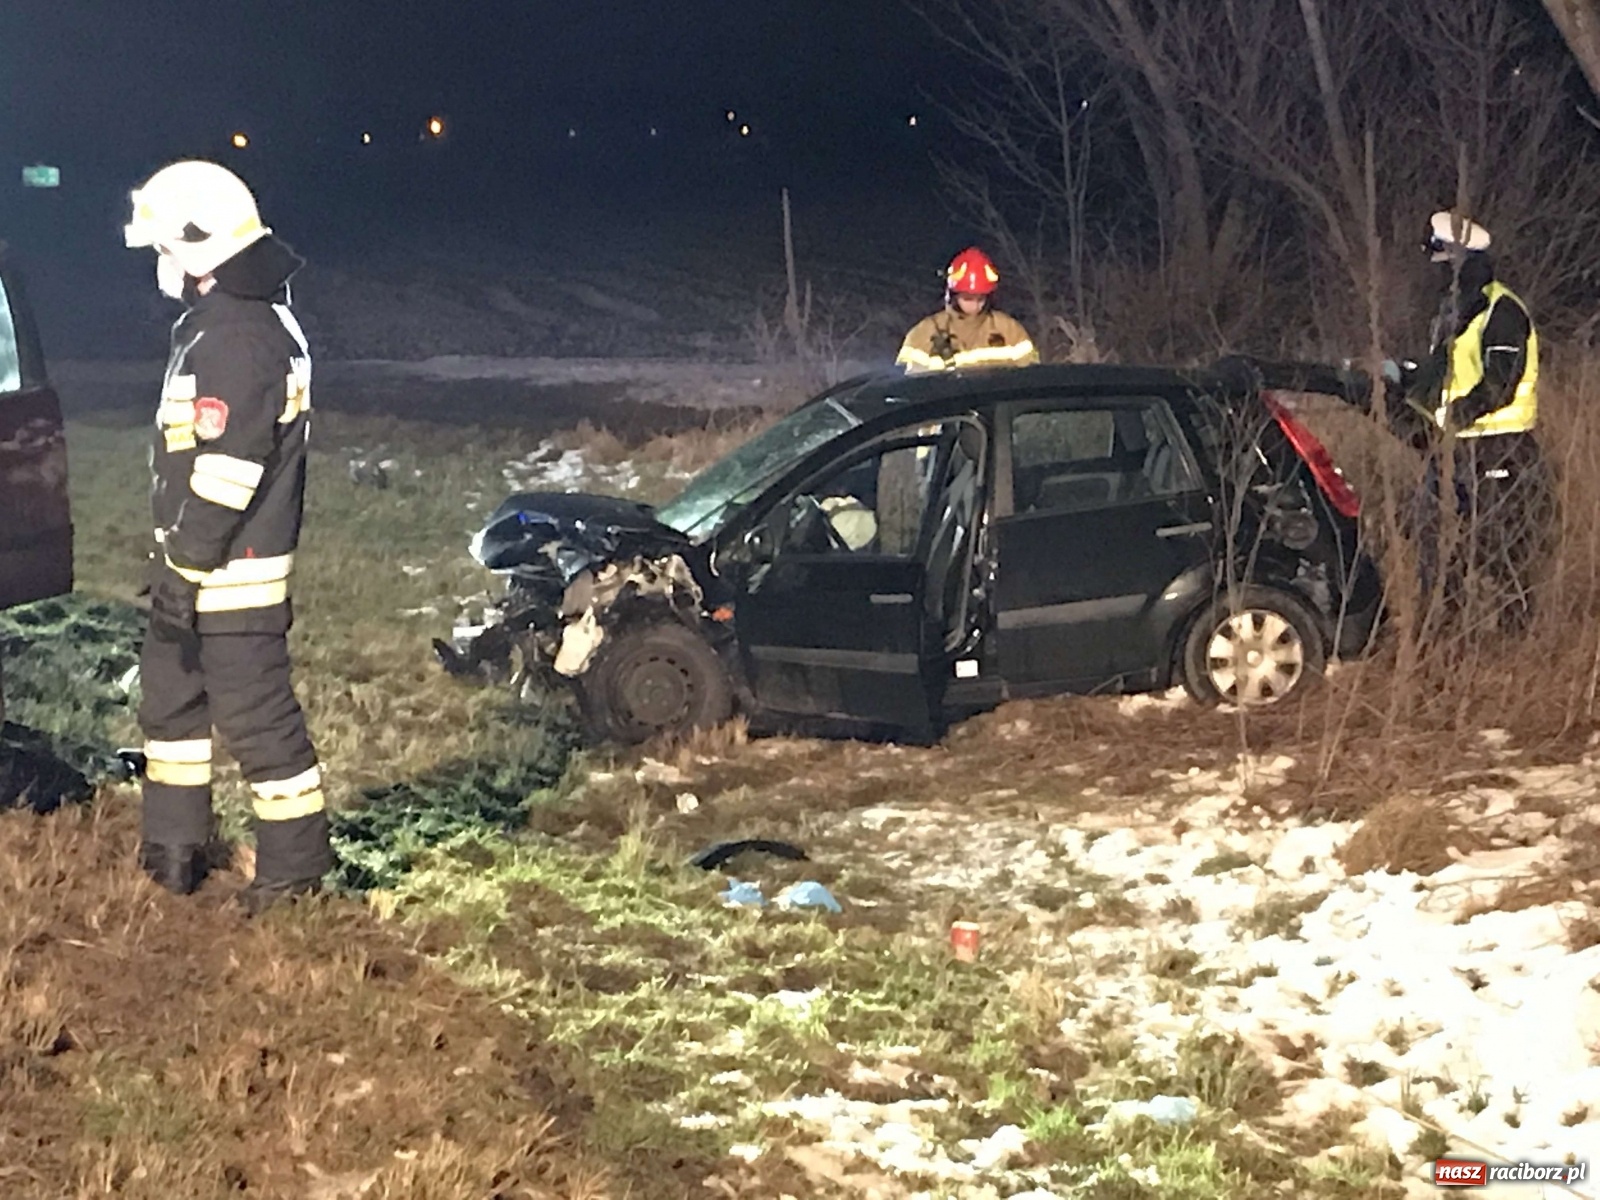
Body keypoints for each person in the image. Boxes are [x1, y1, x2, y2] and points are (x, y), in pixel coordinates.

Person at [122, 160, 331, 914]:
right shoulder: (226, 326)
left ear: (198, 250)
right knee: (172, 707)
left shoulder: (239, 338)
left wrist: (184, 563)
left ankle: (295, 871)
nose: (160, 267)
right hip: (199, 566)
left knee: (258, 723)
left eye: (165, 251)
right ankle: (174, 849)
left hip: (228, 574)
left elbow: (226, 473)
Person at [1385, 210, 1554, 630]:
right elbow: (1446, 373)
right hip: (1456, 446)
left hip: (1500, 445)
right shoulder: (1454, 312)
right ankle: (1446, 626)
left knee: (1500, 547)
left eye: (1439, 259)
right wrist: (1404, 378)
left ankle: (1518, 637)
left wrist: (1458, 415)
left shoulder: (1501, 310)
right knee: (1433, 536)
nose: (1432, 270)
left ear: (1459, 258)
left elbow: (1500, 383)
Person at [896, 247, 1039, 373]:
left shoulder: (1009, 330)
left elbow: (1030, 377)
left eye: (981, 299)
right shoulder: (924, 333)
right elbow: (907, 385)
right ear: (953, 295)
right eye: (968, 298)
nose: (975, 305)